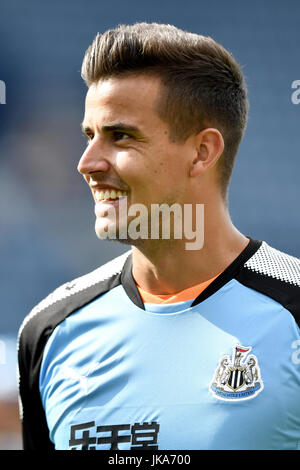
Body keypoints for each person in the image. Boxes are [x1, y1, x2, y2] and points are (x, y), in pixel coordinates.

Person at [17, 22, 300, 450]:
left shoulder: (292, 311)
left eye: (120, 136)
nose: (87, 163)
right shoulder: (50, 331)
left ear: (202, 152)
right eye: (89, 136)